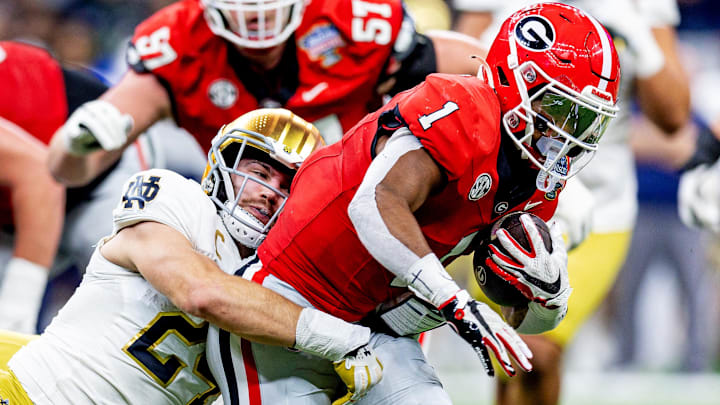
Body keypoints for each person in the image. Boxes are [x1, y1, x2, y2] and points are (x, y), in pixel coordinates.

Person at [205, 3, 621, 404]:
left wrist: (550, 297)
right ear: (518, 80)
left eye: (585, 120)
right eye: (561, 109)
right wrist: (453, 300)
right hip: (291, 300)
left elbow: (521, 323)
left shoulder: (539, 173)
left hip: (376, 326)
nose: (569, 134)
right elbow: (374, 203)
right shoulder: (463, 109)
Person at [0, 109, 382, 404]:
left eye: (287, 186)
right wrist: (338, 337)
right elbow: (199, 292)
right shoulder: (175, 197)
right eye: (260, 172)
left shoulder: (281, 277)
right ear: (224, 166)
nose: (270, 192)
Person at [452, 0, 690, 403]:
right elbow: (453, 74)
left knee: (538, 347)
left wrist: (637, 39)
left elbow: (673, 117)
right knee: (513, 349)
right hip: (501, 191)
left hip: (597, 204)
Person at [46, 0, 487, 187]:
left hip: (359, 211)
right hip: (244, 233)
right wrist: (75, 142)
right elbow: (72, 171)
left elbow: (480, 72)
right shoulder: (179, 46)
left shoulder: (352, 22)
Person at [0, 41, 151, 334]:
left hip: (101, 168)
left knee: (131, 298)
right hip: (20, 201)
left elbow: (40, 177)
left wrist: (18, 307)